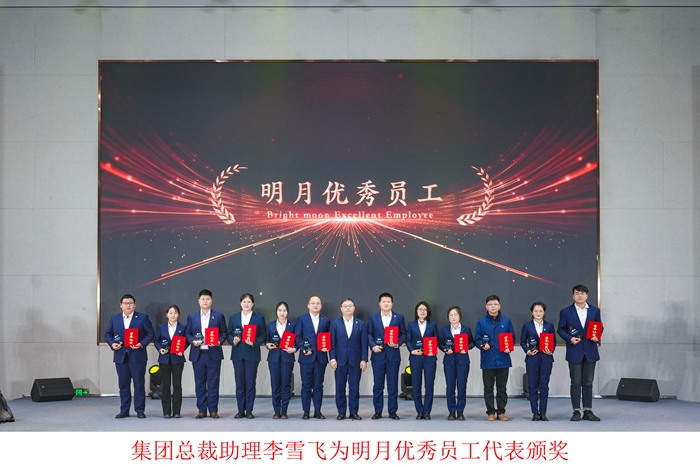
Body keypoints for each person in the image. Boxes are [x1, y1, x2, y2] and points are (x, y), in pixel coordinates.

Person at [105, 294, 155, 419]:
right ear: (121, 305)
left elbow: (150, 334)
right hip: (121, 356)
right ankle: (124, 410)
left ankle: (140, 410)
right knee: (123, 385)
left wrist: (141, 344)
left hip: (138, 356)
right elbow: (107, 334)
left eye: (131, 303)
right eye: (125, 303)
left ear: (135, 305)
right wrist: (112, 344)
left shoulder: (142, 318)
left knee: (139, 384)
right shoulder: (114, 318)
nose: (128, 305)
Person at [558, 284, 603, 422]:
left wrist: (597, 336)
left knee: (588, 382)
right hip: (574, 350)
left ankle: (588, 411)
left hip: (590, 350)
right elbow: (561, 329)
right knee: (576, 382)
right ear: (573, 296)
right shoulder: (566, 311)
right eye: (577, 293)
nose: (580, 296)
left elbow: (599, 327)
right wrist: (570, 339)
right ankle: (576, 411)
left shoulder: (595, 310)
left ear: (587, 295)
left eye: (582, 293)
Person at [185, 289, 227, 419]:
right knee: (200, 383)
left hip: (213, 354)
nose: (205, 301)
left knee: (213, 383)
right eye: (203, 299)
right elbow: (187, 333)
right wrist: (192, 341)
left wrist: (219, 341)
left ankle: (213, 410)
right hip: (198, 354)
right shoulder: (192, 317)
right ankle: (202, 409)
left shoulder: (218, 316)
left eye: (208, 299)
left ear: (211, 301)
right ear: (198, 301)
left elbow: (224, 333)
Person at [475, 294, 515, 421]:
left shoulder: (506, 321)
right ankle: (490, 412)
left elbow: (512, 338)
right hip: (487, 360)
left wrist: (510, 347)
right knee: (488, 388)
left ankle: (501, 412)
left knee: (502, 388)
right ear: (486, 306)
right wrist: (482, 345)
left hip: (503, 359)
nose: (493, 307)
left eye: (495, 304)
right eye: (490, 304)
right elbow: (477, 339)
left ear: (499, 306)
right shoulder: (481, 322)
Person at [367, 292, 406, 420]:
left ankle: (392, 411)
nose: (386, 304)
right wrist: (373, 346)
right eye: (384, 302)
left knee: (392, 385)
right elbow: (369, 334)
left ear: (392, 303)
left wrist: (397, 343)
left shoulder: (398, 317)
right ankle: (378, 411)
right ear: (379, 303)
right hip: (378, 356)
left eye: (388, 302)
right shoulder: (373, 317)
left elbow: (404, 334)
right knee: (378, 385)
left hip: (393, 355)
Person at [228, 293, 266, 419]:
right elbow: (229, 334)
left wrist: (254, 343)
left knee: (250, 383)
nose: (246, 304)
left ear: (253, 304)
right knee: (239, 383)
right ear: (240, 303)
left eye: (249, 302)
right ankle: (240, 410)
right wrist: (232, 340)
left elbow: (263, 335)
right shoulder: (234, 318)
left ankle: (249, 410)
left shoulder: (259, 318)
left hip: (252, 354)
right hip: (238, 354)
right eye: (244, 302)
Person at [329, 298, 368, 420]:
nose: (348, 308)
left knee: (354, 388)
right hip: (339, 361)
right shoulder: (335, 324)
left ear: (354, 308)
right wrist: (332, 359)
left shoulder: (360, 324)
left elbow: (364, 343)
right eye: (345, 306)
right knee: (340, 388)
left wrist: (364, 359)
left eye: (350, 306)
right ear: (341, 308)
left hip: (355, 361)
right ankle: (341, 412)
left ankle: (354, 412)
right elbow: (332, 343)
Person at [295, 295, 331, 419]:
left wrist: (327, 347)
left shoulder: (326, 320)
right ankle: (306, 411)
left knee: (318, 386)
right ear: (308, 305)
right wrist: (304, 348)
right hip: (306, 358)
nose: (315, 305)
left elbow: (328, 337)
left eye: (318, 303)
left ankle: (317, 411)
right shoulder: (301, 319)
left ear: (321, 306)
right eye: (313, 303)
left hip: (320, 358)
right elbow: (297, 337)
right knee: (306, 385)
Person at [520, 302, 555, 421]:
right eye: (536, 311)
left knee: (544, 385)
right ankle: (535, 412)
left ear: (544, 312)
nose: (538, 313)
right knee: (532, 385)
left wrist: (550, 350)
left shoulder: (549, 325)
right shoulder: (527, 326)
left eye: (540, 311)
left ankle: (543, 412)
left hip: (546, 358)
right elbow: (523, 341)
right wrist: (528, 351)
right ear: (532, 312)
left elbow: (553, 341)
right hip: (532, 359)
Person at [440, 306, 475, 421]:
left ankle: (460, 412)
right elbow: (440, 344)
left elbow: (472, 342)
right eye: (451, 315)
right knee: (450, 387)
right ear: (448, 317)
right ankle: (451, 411)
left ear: (460, 316)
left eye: (455, 314)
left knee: (461, 387)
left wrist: (467, 348)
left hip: (463, 361)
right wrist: (445, 349)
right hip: (449, 361)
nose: (453, 317)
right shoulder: (445, 330)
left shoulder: (466, 329)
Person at [406, 301, 439, 420]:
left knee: (429, 385)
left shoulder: (433, 324)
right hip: (415, 358)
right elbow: (408, 340)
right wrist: (412, 351)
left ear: (428, 311)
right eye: (420, 309)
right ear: (416, 311)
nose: (422, 311)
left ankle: (427, 411)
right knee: (416, 385)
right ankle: (419, 411)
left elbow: (436, 339)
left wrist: (433, 350)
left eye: (424, 309)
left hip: (429, 358)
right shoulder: (411, 324)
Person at [154, 304, 188, 418]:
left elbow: (186, 341)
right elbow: (156, 341)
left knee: (177, 384)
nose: (173, 315)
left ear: (178, 314)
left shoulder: (183, 327)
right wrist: (160, 349)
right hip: (164, 358)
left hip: (178, 359)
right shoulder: (161, 327)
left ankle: (177, 411)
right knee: (166, 385)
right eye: (171, 313)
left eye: (175, 313)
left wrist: (182, 349)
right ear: (167, 315)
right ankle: (166, 412)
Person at [266, 301, 297, 419]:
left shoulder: (292, 325)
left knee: (286, 384)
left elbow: (298, 340)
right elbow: (266, 339)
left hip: (287, 357)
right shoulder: (270, 325)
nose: (282, 313)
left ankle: (284, 410)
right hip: (273, 358)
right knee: (275, 384)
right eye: (280, 310)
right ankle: (276, 411)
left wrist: (294, 349)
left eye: (284, 310)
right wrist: (267, 344)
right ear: (276, 312)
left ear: (287, 312)